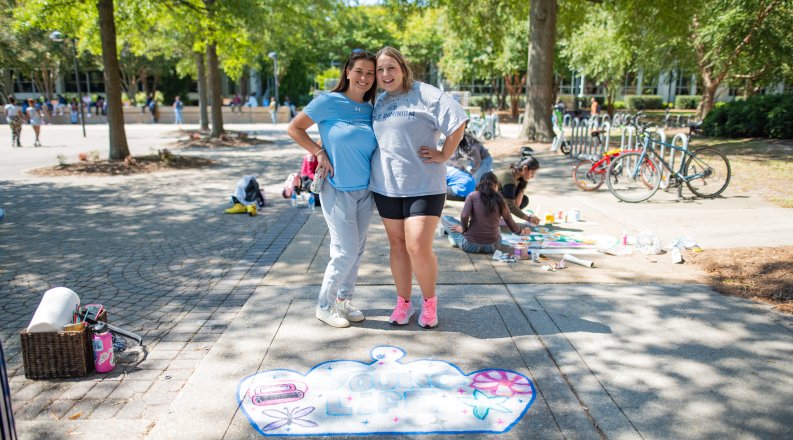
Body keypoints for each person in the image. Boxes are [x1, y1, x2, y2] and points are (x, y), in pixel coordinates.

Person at [370, 46, 469, 329]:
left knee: (417, 245)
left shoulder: (425, 93)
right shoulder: (378, 102)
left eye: (391, 67)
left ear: (402, 68)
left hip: (425, 184)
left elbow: (458, 120)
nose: (386, 74)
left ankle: (429, 303)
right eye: (380, 70)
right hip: (386, 185)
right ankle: (404, 303)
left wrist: (445, 154)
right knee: (397, 245)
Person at [287, 49, 378, 328]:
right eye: (359, 71)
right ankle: (324, 306)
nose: (364, 78)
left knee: (358, 250)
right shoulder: (328, 102)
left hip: (366, 191)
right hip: (336, 187)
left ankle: (343, 302)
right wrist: (318, 152)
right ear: (348, 72)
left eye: (370, 73)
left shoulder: (371, 108)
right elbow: (294, 128)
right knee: (344, 251)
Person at [441, 172, 531, 254]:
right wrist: (523, 231)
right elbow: (510, 221)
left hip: (470, 245)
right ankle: (457, 238)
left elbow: (464, 216)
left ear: (480, 184)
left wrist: (464, 230)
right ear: (496, 185)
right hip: (492, 247)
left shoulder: (472, 195)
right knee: (497, 229)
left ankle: (455, 239)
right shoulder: (500, 198)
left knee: (446, 219)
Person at [494, 157, 542, 225]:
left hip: (494, 198)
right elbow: (510, 205)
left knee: (524, 199)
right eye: (532, 172)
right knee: (511, 203)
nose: (533, 176)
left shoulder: (516, 173)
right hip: (487, 203)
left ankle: (503, 216)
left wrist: (521, 193)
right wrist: (529, 219)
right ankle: (496, 218)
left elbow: (517, 197)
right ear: (525, 169)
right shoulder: (509, 178)